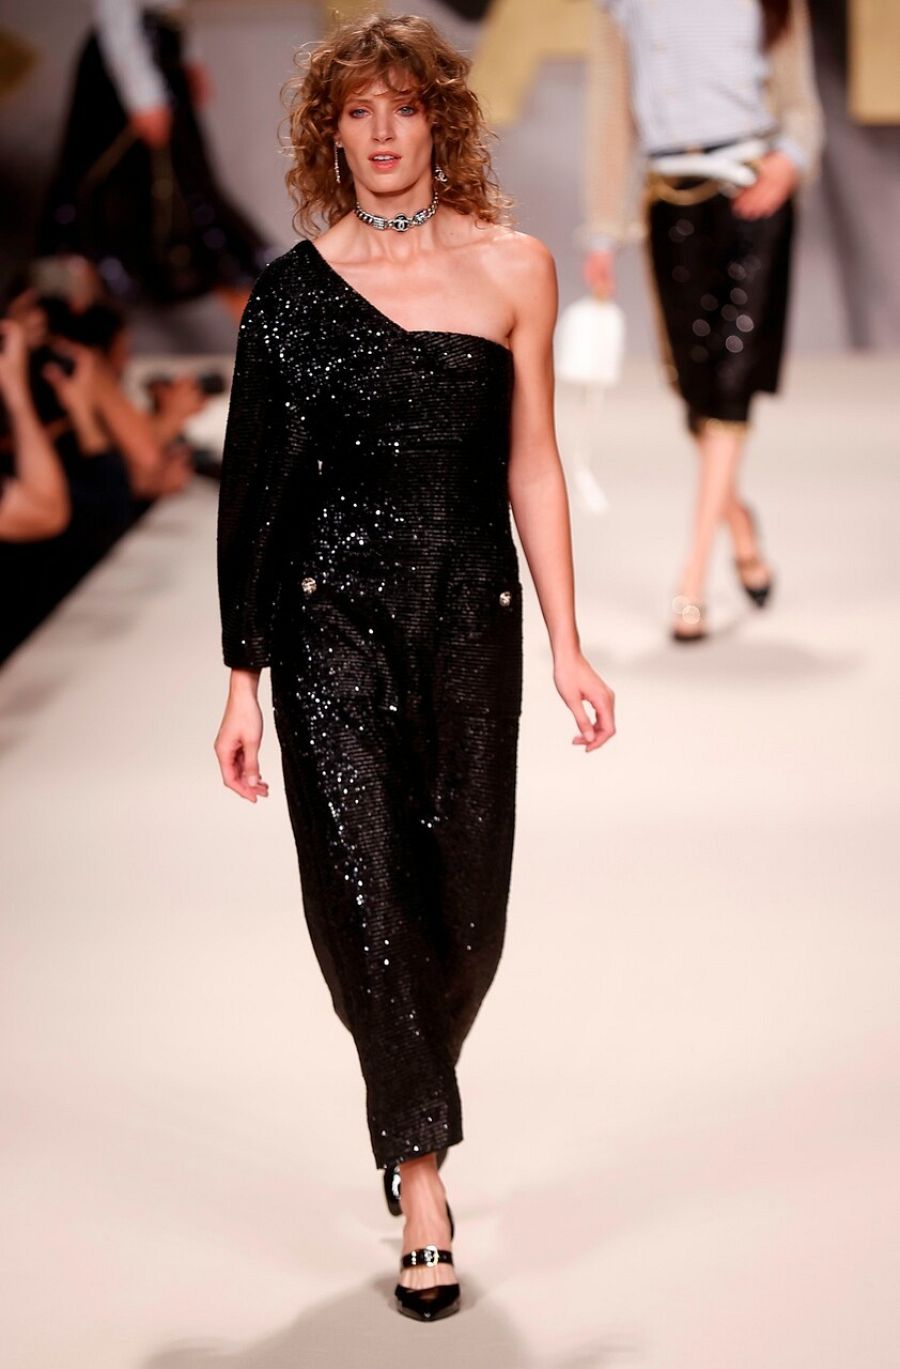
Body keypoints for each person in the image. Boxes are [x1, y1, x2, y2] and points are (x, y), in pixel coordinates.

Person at [213, 12, 616, 1322]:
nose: (383, 132)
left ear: (439, 119)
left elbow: (533, 464)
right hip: (325, 621)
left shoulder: (516, 269)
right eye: (358, 111)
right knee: (367, 895)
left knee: (465, 913)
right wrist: (242, 675)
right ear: (329, 135)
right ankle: (424, 1182)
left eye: (404, 106)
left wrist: (566, 643)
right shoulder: (292, 296)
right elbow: (253, 494)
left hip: (467, 617)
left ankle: (411, 1096)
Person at [582, 0, 824, 641]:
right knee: (693, 386)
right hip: (671, 199)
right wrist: (603, 228)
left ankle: (691, 579)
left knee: (731, 378)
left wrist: (789, 159)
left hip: (755, 192)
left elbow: (801, 106)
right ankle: (740, 526)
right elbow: (611, 113)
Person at [37, 0, 274, 320]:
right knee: (107, 194)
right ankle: (60, 318)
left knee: (189, 192)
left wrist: (188, 56)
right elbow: (115, 11)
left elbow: (172, 10)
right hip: (133, 63)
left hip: (160, 55)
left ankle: (265, 328)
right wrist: (143, 94)